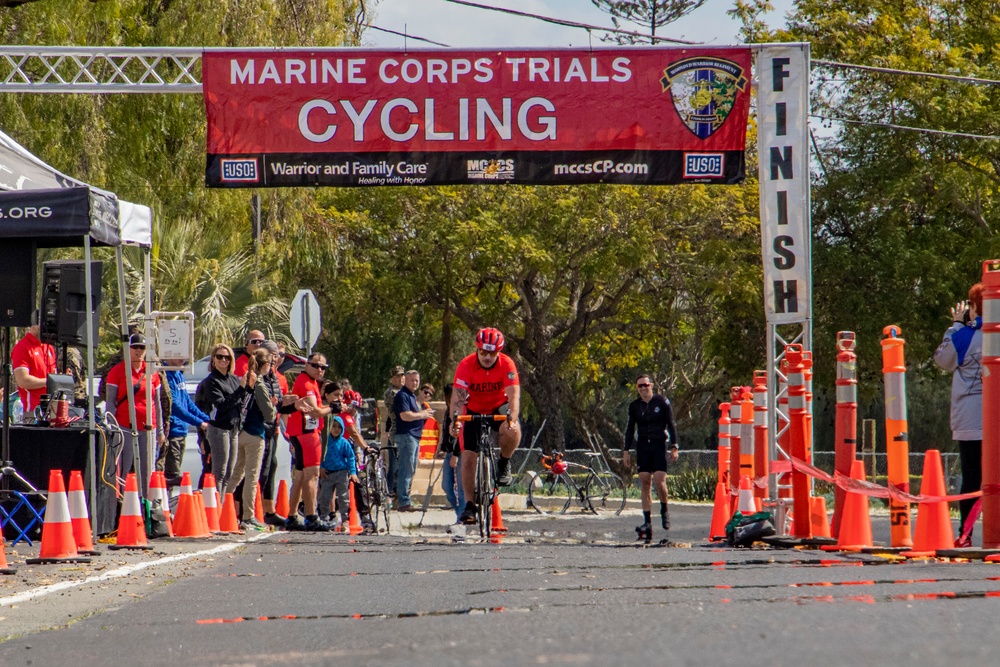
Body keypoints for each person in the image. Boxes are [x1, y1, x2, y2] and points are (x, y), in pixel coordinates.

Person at [449, 327, 522, 525]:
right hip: (472, 408)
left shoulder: (507, 364)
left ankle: (504, 462)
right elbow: (457, 399)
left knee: (512, 429)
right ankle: (470, 505)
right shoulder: (466, 365)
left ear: (498, 352)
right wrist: (454, 421)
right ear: (477, 349)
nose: (487, 357)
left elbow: (514, 398)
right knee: (468, 457)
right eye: (483, 352)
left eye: (492, 353)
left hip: (498, 406)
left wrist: (511, 420)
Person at [934, 283, 984, 548]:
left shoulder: (964, 335)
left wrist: (955, 324)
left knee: (972, 477)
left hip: (971, 420)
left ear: (975, 307)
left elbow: (943, 359)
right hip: (992, 420)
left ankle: (965, 535)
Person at [104, 333, 165, 497]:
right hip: (125, 427)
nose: (138, 351)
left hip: (147, 428)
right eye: (135, 347)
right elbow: (110, 401)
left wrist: (160, 430)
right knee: (124, 469)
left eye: (142, 347)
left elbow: (157, 404)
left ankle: (146, 504)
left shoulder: (152, 372)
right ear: (128, 349)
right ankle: (122, 503)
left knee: (147, 470)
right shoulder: (117, 371)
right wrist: (112, 427)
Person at [622, 374, 679, 542]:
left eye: (645, 385)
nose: (643, 388)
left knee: (660, 481)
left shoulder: (662, 402)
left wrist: (674, 446)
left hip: (659, 444)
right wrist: (626, 450)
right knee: (645, 480)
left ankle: (664, 509)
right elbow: (630, 428)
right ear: (637, 388)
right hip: (643, 446)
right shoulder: (634, 406)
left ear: (651, 385)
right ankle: (647, 522)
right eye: (640, 386)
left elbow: (671, 424)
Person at [225, 349, 277, 530]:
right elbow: (269, 414)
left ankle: (222, 506)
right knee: (252, 476)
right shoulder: (259, 383)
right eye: (271, 364)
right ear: (265, 365)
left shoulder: (247, 378)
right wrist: (273, 405)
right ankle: (248, 516)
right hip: (255, 433)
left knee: (236, 473)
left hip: (240, 432)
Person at [285, 352, 334, 531]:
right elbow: (315, 411)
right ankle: (311, 516)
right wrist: (333, 408)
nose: (319, 370)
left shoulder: (310, 382)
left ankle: (292, 516)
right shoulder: (306, 382)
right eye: (316, 365)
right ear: (307, 365)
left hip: (302, 432)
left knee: (301, 476)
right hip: (306, 432)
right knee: (312, 475)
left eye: (323, 367)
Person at [196, 343, 245, 495]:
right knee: (220, 472)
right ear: (213, 360)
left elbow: (242, 403)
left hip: (234, 428)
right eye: (219, 357)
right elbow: (222, 405)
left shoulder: (234, 379)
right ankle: (215, 508)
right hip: (218, 429)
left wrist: (245, 389)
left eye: (227, 357)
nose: (223, 360)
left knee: (230, 473)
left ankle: (221, 508)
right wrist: (241, 390)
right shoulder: (211, 382)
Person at [162, 358, 210, 486]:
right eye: (178, 355)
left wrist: (207, 419)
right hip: (172, 432)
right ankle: (166, 503)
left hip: (182, 431)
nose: (182, 359)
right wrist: (199, 423)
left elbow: (188, 403)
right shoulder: (165, 375)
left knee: (174, 473)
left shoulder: (179, 374)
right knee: (171, 475)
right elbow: (175, 406)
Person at [394, 370, 434, 512]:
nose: (415, 383)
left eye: (417, 381)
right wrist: (421, 414)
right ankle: (403, 501)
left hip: (415, 436)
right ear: (406, 380)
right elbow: (405, 416)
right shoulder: (402, 396)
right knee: (406, 468)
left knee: (411, 468)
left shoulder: (412, 397)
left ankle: (405, 498)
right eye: (412, 380)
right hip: (406, 436)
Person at [11, 311, 57, 420]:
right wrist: (49, 382)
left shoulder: (49, 347)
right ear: (33, 325)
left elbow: (54, 376)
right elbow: (23, 381)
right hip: (32, 413)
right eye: (40, 323)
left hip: (52, 412)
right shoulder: (22, 347)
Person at [318, 415, 360, 529]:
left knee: (343, 497)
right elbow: (319, 456)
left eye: (339, 427)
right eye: (333, 426)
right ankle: (324, 518)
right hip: (327, 474)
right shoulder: (324, 442)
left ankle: (345, 519)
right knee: (325, 497)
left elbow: (351, 457)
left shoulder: (344, 443)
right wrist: (320, 467)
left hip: (342, 473)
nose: (336, 429)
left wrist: (353, 472)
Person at [439, 383, 464, 522]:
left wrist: (455, 454)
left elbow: (460, 436)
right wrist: (442, 448)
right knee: (446, 486)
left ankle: (461, 517)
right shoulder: (447, 412)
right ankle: (460, 512)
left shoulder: (459, 412)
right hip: (449, 453)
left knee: (461, 488)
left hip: (459, 453)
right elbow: (445, 433)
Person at [382, 366, 405, 494]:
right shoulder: (392, 393)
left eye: (402, 375)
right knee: (395, 465)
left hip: (403, 430)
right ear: (392, 378)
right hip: (397, 430)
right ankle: (390, 491)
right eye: (397, 376)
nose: (401, 378)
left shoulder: (404, 391)